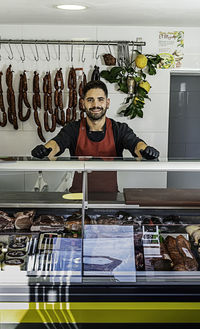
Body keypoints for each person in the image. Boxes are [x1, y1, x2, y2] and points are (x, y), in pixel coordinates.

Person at [31, 80, 159, 193]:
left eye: (100, 99)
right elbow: (57, 144)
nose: (95, 105)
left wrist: (145, 150)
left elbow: (135, 144)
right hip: (77, 197)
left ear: (107, 103)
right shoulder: (73, 129)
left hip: (110, 197)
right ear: (83, 103)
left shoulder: (119, 129)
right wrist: (45, 149)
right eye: (90, 100)